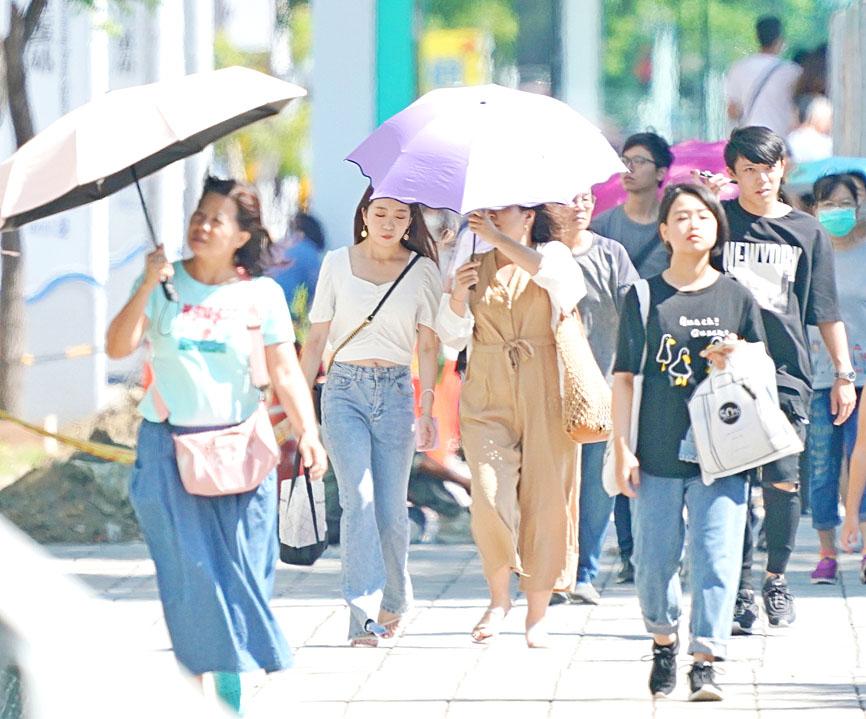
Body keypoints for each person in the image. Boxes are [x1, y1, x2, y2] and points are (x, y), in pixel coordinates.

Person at [105, 176, 327, 712]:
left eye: (216, 219)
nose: (202, 226)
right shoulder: (162, 285)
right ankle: (208, 699)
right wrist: (144, 285)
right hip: (168, 453)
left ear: (240, 235)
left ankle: (231, 685)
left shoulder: (261, 294)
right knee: (192, 579)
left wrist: (308, 432)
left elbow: (285, 372)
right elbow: (117, 348)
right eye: (198, 216)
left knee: (246, 573)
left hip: (242, 452)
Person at [696, 126, 856, 630]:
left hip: (788, 374)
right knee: (736, 483)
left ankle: (776, 579)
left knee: (784, 483)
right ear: (733, 174)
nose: (762, 179)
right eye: (749, 170)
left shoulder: (807, 231)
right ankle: (740, 586)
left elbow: (825, 310)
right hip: (727, 372)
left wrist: (843, 375)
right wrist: (701, 206)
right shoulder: (721, 223)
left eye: (769, 168)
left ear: (782, 167)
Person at [613, 183, 767, 702]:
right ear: (664, 231)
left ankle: (705, 660)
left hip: (723, 451)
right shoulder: (642, 295)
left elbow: (760, 370)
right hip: (655, 450)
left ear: (717, 228)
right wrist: (621, 448)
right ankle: (663, 639)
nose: (692, 224)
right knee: (654, 562)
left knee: (717, 556)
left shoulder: (737, 295)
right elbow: (624, 378)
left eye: (703, 215)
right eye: (680, 217)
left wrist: (736, 356)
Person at [436, 204, 585, 649]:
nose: (497, 214)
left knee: (546, 498)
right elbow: (450, 340)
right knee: (487, 490)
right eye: (492, 208)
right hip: (487, 385)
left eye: (508, 209)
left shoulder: (553, 253)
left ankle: (536, 613)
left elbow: (567, 290)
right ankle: (498, 598)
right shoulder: (470, 257)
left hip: (546, 385)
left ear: (529, 214)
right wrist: (458, 296)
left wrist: (500, 241)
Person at [300, 187, 442, 647]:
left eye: (399, 215)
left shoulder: (423, 271)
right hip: (344, 391)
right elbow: (316, 338)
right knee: (358, 500)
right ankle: (362, 613)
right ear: (364, 215)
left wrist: (427, 409)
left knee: (390, 512)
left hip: (397, 393)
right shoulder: (337, 264)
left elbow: (427, 345)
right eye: (380, 212)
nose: (388, 222)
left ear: (409, 223)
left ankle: (396, 601)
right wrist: (300, 404)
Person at [591, 130, 674, 583]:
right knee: (621, 445)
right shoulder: (604, 226)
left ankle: (661, 542)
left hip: (669, 349)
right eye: (625, 161)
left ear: (661, 173)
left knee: (660, 447)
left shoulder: (676, 222)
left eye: (639, 161)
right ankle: (628, 551)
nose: (629, 169)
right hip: (620, 348)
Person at [550, 190, 638, 606]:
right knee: (550, 482)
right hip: (548, 386)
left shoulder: (610, 253)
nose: (580, 207)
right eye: (570, 200)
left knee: (595, 488)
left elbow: (636, 308)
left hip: (600, 386)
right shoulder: (538, 254)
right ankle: (551, 569)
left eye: (586, 199)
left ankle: (583, 572)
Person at [804, 175, 866, 583]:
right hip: (818, 376)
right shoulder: (809, 253)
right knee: (822, 464)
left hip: (862, 375)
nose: (838, 211)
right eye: (829, 204)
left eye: (846, 202)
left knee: (861, 459)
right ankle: (827, 549)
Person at [725, 15, 803, 136]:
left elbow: (732, 111)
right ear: (780, 39)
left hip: (750, 142)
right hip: (779, 139)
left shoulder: (738, 68)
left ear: (756, 37)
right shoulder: (792, 71)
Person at [787, 95, 833, 164]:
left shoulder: (792, 137)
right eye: (829, 119)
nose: (831, 123)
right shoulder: (824, 142)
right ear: (818, 119)